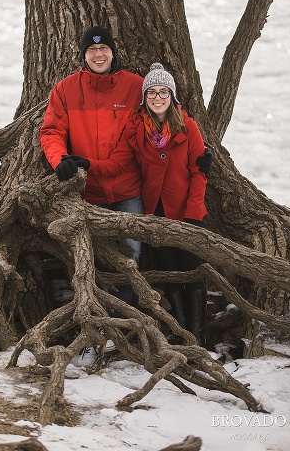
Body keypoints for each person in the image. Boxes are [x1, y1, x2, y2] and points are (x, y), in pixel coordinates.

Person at [40, 27, 212, 365]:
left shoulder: (136, 86)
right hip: (86, 191)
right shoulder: (65, 90)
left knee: (131, 255)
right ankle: (94, 332)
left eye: (104, 48)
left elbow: (163, 125)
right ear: (83, 55)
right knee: (87, 260)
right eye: (92, 50)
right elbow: (51, 130)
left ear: (113, 52)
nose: (98, 54)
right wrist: (60, 160)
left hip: (130, 191)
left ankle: (121, 327)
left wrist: (200, 157)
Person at [87, 63, 208, 346]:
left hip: (187, 213)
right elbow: (118, 163)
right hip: (155, 215)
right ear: (144, 98)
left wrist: (192, 214)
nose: (157, 97)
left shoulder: (188, 126)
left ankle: (199, 338)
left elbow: (199, 172)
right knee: (171, 274)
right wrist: (85, 164)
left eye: (163, 91)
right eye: (151, 92)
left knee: (192, 273)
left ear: (172, 96)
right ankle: (181, 335)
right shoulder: (136, 128)